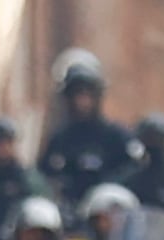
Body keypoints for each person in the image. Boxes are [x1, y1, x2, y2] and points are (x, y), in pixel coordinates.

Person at [39, 48, 132, 204]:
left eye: (88, 94)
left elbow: (133, 178)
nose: (82, 102)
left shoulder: (117, 137)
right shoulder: (59, 140)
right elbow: (44, 180)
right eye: (76, 94)